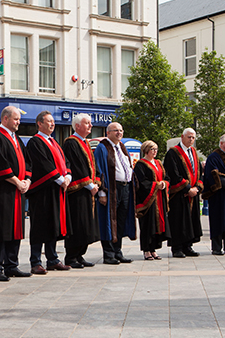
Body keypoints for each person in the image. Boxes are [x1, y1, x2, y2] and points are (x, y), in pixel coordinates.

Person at [0, 105, 31, 280]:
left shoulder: (16, 138)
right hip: (3, 192)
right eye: (16, 119)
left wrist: (27, 180)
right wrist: (17, 181)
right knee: (1, 229)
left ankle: (11, 265)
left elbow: (27, 161)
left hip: (18, 192)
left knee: (16, 229)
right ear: (5, 119)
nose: (19, 122)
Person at [26, 111, 72, 274]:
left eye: (53, 122)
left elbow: (65, 161)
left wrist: (68, 176)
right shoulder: (35, 142)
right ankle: (36, 261)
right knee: (40, 226)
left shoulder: (54, 142)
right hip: (42, 190)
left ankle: (52, 259)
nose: (52, 124)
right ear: (39, 123)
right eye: (49, 121)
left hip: (57, 190)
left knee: (54, 224)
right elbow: (43, 164)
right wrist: (60, 179)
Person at [94, 122, 136, 264]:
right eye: (115, 131)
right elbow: (99, 170)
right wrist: (102, 193)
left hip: (125, 188)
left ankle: (118, 251)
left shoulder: (122, 147)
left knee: (121, 221)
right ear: (108, 133)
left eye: (120, 130)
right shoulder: (102, 148)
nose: (119, 133)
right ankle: (109, 254)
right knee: (108, 221)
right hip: (111, 189)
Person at [62, 113, 101, 268]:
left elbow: (93, 166)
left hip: (89, 190)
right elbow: (77, 167)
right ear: (77, 125)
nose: (90, 126)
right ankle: (71, 256)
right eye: (87, 123)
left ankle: (80, 255)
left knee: (87, 225)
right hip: (78, 191)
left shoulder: (85, 142)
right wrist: (90, 185)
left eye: (90, 123)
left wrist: (97, 182)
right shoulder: (71, 143)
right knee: (78, 224)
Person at [164, 128, 203, 258]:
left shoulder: (194, 152)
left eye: (193, 137)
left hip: (193, 194)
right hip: (179, 194)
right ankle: (177, 248)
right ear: (182, 137)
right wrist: (187, 188)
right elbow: (173, 173)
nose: (191, 140)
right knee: (179, 221)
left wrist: (197, 188)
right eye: (189, 137)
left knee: (191, 221)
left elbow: (198, 172)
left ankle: (188, 246)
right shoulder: (173, 153)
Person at [133, 141, 170, 260]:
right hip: (148, 200)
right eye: (152, 149)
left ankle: (154, 249)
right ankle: (146, 250)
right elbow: (141, 182)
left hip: (159, 198)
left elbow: (166, 177)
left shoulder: (158, 163)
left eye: (156, 149)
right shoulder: (141, 164)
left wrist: (164, 183)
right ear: (146, 150)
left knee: (157, 225)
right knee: (148, 225)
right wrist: (155, 185)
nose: (155, 152)